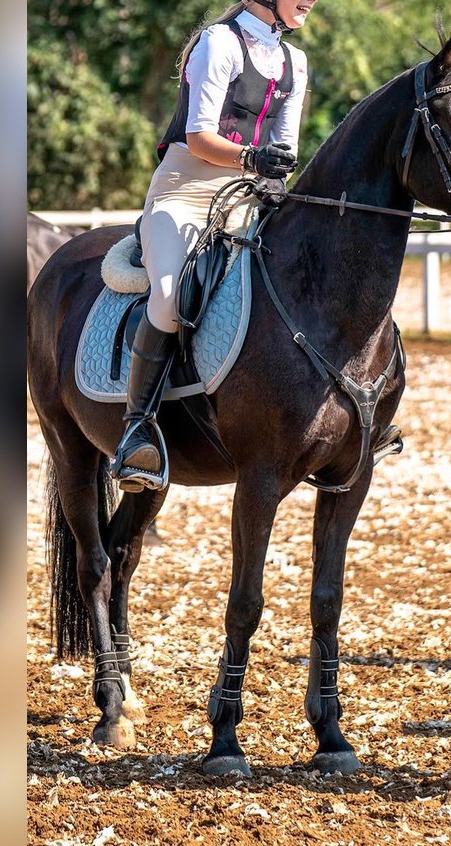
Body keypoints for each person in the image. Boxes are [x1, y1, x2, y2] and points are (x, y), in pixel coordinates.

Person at [111, 0, 316, 492]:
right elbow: (198, 135)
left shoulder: (296, 62)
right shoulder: (219, 43)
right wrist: (252, 155)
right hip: (185, 190)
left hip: (248, 193)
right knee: (167, 296)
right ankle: (138, 426)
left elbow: (282, 151)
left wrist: (273, 172)